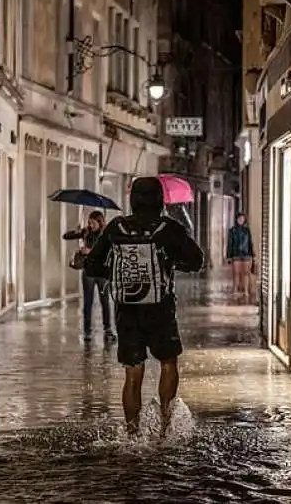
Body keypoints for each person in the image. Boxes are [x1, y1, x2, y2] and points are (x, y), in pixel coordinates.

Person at [85, 177, 204, 436]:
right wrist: (171, 263)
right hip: (161, 308)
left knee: (133, 371)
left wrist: (116, 271)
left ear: (133, 199)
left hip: (127, 310)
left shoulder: (116, 227)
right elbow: (197, 260)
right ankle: (165, 427)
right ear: (160, 200)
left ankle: (132, 433)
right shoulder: (169, 228)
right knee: (168, 363)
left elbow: (92, 265)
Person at [63, 211, 115, 342]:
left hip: (102, 272)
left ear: (100, 221)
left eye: (93, 222)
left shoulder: (107, 234)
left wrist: (90, 251)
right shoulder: (86, 232)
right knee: (88, 302)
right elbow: (66, 236)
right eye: (89, 222)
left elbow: (110, 251)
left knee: (105, 301)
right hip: (89, 272)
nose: (91, 225)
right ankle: (87, 331)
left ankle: (108, 329)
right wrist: (78, 231)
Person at [227, 213, 255, 297]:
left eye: (242, 219)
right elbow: (230, 243)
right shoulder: (232, 230)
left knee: (246, 273)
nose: (241, 221)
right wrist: (229, 256)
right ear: (236, 219)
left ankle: (246, 291)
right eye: (239, 219)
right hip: (236, 254)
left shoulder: (247, 230)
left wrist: (253, 255)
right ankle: (235, 290)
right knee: (236, 273)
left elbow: (250, 243)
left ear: (244, 220)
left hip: (246, 254)